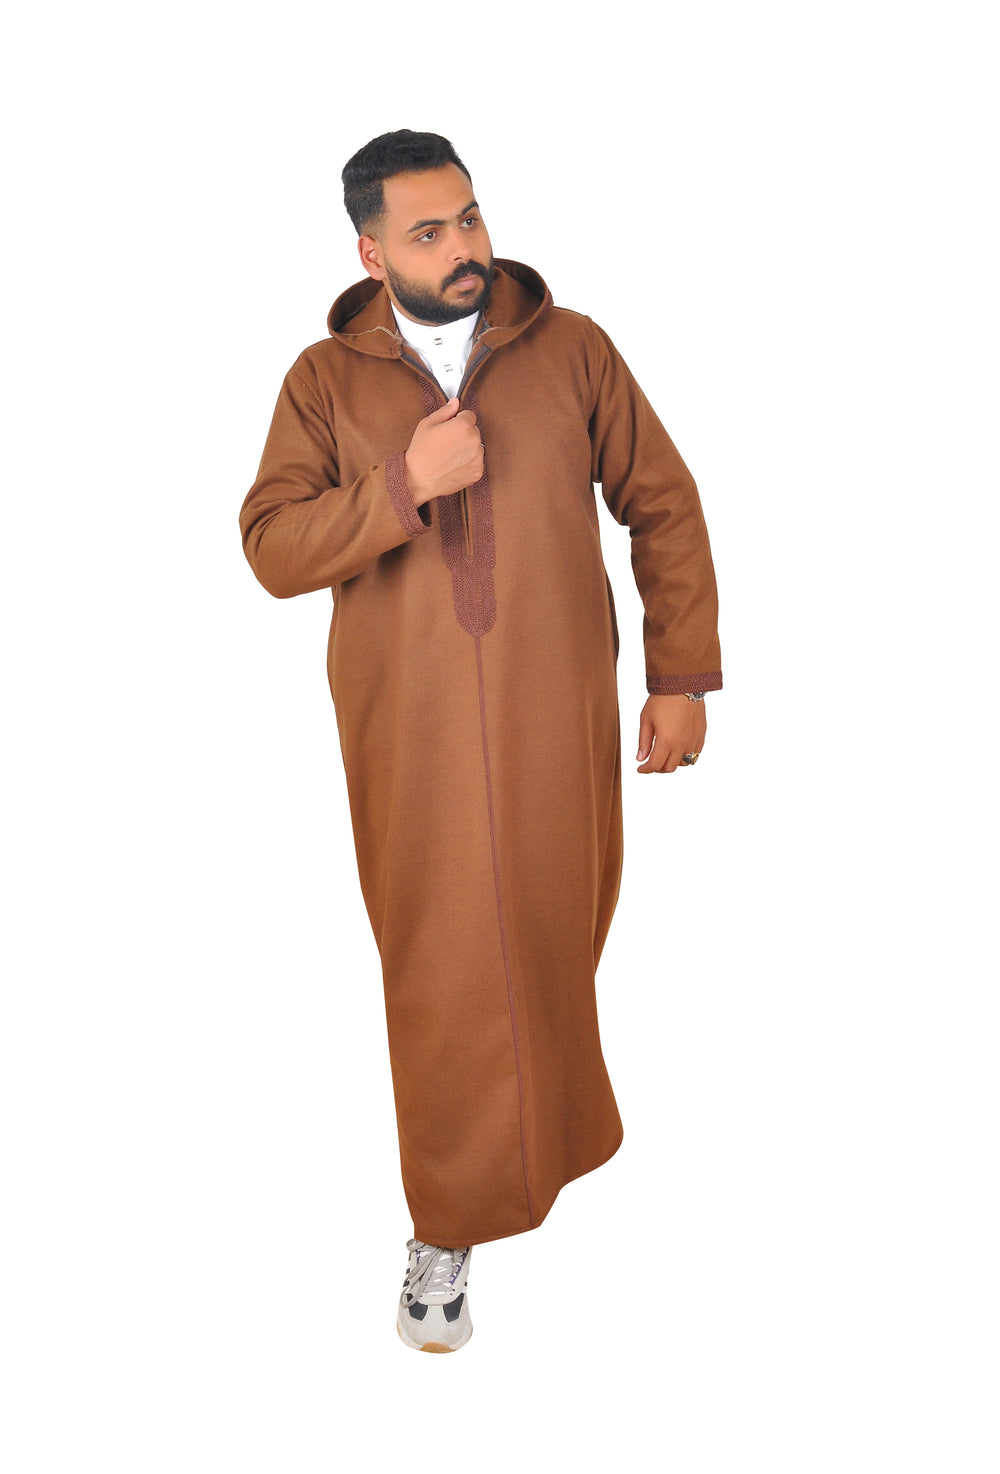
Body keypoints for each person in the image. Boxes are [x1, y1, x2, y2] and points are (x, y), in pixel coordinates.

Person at [239, 129, 722, 1353]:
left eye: (468, 217)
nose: (463, 246)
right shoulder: (323, 381)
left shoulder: (572, 349)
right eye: (427, 232)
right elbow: (272, 548)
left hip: (556, 712)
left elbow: (662, 501)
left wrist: (678, 675)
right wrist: (403, 484)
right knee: (438, 972)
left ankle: (556, 1155)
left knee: (555, 933)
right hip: (409, 738)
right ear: (370, 252)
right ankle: (444, 1225)